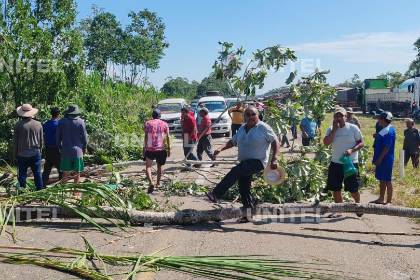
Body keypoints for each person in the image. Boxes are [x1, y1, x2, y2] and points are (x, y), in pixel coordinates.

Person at [206, 106, 280, 223]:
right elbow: (233, 141)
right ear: (244, 116)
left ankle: (216, 194)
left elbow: (275, 141)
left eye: (253, 114)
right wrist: (220, 148)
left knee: (236, 171)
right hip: (245, 162)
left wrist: (275, 158)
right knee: (244, 189)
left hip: (258, 162)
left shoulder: (263, 127)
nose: (250, 117)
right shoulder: (241, 128)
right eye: (248, 115)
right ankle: (248, 214)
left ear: (258, 115)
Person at [323, 107, 364, 217]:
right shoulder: (331, 129)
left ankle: (358, 206)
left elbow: (361, 143)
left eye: (341, 116)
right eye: (336, 116)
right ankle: (339, 210)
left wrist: (352, 150)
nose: (339, 118)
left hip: (350, 163)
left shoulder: (353, 128)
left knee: (353, 189)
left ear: (346, 117)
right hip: (336, 163)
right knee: (335, 188)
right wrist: (334, 130)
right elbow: (326, 142)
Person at [14, 104, 44, 190]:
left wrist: (14, 154)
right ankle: (40, 191)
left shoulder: (18, 125)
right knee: (38, 174)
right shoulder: (38, 124)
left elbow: (15, 142)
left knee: (22, 175)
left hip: (22, 154)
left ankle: (22, 192)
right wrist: (40, 151)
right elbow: (41, 140)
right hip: (35, 153)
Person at [56, 105, 88, 185]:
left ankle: (64, 192)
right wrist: (84, 148)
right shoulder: (81, 122)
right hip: (78, 151)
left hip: (66, 151)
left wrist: (59, 147)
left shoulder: (62, 122)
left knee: (65, 173)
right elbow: (84, 138)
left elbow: (57, 137)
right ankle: (75, 193)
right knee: (77, 173)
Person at [370, 111, 396, 205]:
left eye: (379, 118)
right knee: (382, 179)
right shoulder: (386, 129)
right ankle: (381, 198)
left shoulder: (388, 131)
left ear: (383, 119)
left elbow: (386, 147)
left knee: (387, 180)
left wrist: (379, 159)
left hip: (385, 160)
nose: (378, 120)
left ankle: (389, 201)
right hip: (383, 159)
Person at [143, 109, 171, 193]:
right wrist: (169, 148)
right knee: (159, 166)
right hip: (161, 149)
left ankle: (151, 182)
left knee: (148, 167)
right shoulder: (165, 124)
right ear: (160, 116)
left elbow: (146, 137)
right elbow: (168, 137)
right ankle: (158, 183)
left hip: (150, 148)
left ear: (152, 115)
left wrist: (144, 148)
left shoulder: (147, 123)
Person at [42, 107, 63, 187]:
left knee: (47, 169)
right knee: (61, 170)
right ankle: (61, 187)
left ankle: (42, 186)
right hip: (57, 149)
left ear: (51, 114)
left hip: (48, 149)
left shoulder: (46, 124)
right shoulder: (60, 124)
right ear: (59, 114)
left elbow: (43, 135)